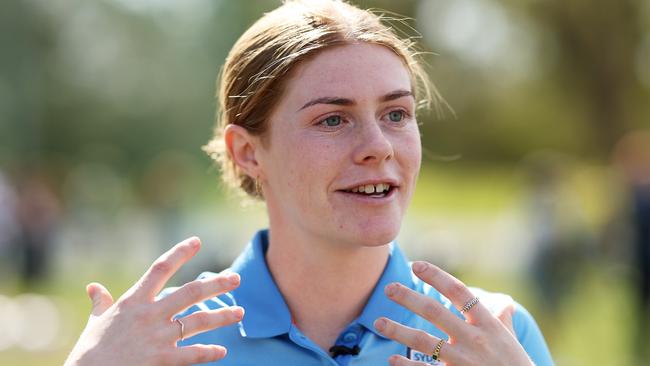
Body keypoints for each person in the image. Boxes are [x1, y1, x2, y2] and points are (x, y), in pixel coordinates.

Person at [64, 1, 553, 365]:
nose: (378, 145)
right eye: (333, 120)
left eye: (396, 113)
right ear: (249, 152)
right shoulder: (162, 344)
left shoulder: (493, 336)